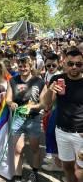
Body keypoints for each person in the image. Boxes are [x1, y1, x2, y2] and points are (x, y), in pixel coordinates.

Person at [41, 49, 83, 182]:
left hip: (81, 135)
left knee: (80, 171)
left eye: (78, 64)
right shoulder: (57, 79)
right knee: (67, 167)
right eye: (71, 64)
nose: (74, 67)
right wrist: (50, 90)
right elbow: (46, 104)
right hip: (61, 132)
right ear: (64, 63)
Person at [6, 56, 46, 182]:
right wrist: (11, 104)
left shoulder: (39, 81)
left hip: (33, 119)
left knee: (34, 148)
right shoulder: (12, 80)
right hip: (18, 118)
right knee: (18, 149)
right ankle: (18, 175)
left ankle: (34, 172)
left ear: (30, 66)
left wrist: (32, 107)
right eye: (20, 66)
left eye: (25, 66)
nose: (23, 69)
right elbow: (8, 99)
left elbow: (43, 103)